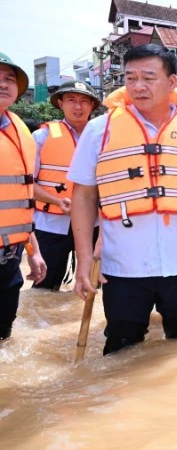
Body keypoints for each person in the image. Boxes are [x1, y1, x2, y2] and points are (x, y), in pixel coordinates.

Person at [69, 44, 177, 355]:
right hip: (124, 265)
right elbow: (84, 196)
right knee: (121, 348)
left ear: (171, 82)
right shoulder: (99, 130)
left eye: (148, 77)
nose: (138, 86)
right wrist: (84, 257)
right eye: (130, 78)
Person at [31, 81, 101, 291]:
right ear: (60, 103)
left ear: (92, 106)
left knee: (95, 285)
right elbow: (26, 184)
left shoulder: (103, 137)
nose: (78, 106)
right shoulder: (41, 137)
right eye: (71, 100)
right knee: (44, 289)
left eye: (84, 101)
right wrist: (56, 200)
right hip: (50, 224)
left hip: (94, 224)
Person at [0, 51, 47, 340]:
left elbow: (19, 201)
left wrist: (34, 251)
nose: (3, 84)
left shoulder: (20, 132)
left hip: (10, 256)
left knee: (4, 334)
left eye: (9, 79)